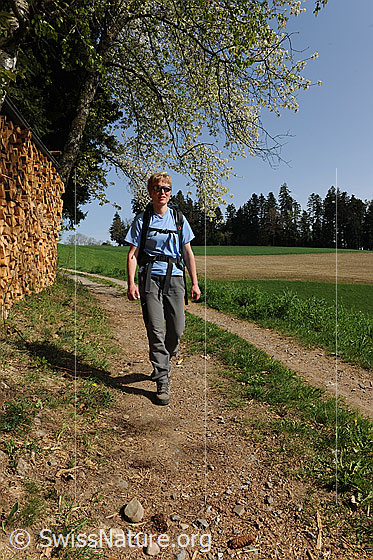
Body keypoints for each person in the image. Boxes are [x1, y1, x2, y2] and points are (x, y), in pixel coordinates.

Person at [125, 172, 201, 405]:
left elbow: (188, 252)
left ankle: (164, 359)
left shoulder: (178, 218)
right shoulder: (143, 219)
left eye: (166, 188)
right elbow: (133, 254)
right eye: (158, 188)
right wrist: (131, 282)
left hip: (176, 278)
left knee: (177, 328)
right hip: (150, 278)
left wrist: (195, 282)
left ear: (171, 192)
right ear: (150, 191)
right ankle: (162, 379)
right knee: (155, 329)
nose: (162, 192)